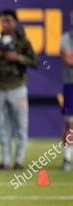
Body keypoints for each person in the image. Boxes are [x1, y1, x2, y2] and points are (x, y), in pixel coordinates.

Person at [0, 9, 38, 170]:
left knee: (21, 126)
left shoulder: (22, 40)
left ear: (14, 22)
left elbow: (34, 61)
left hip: (17, 87)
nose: (6, 24)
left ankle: (19, 160)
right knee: (2, 126)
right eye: (3, 21)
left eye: (8, 20)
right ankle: (6, 160)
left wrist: (18, 58)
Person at [60, 26, 73, 171]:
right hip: (71, 84)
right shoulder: (67, 37)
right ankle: (67, 158)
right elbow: (68, 59)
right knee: (70, 123)